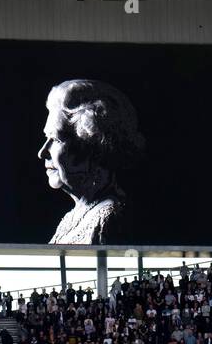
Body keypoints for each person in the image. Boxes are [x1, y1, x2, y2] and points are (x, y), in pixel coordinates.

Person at [38, 79, 145, 245]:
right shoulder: (74, 216)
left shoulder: (108, 219)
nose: (42, 153)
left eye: (56, 140)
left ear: (93, 148)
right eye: (46, 138)